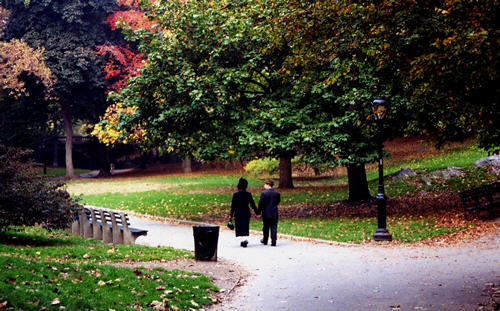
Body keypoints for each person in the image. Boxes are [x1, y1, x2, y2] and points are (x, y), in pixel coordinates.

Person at [229, 178, 259, 247]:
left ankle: (241, 240)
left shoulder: (235, 195)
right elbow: (252, 204)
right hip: (246, 212)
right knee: (245, 226)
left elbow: (233, 206)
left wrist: (231, 215)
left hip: (238, 212)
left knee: (239, 227)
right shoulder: (248, 194)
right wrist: (257, 212)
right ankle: (245, 239)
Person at [258, 179, 280, 246]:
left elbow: (260, 204)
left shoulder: (263, 193)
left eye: (265, 184)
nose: (264, 186)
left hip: (266, 213)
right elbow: (277, 202)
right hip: (274, 212)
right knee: (274, 227)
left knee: (266, 227)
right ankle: (273, 241)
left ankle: (265, 240)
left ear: (268, 185)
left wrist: (259, 212)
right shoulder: (276, 194)